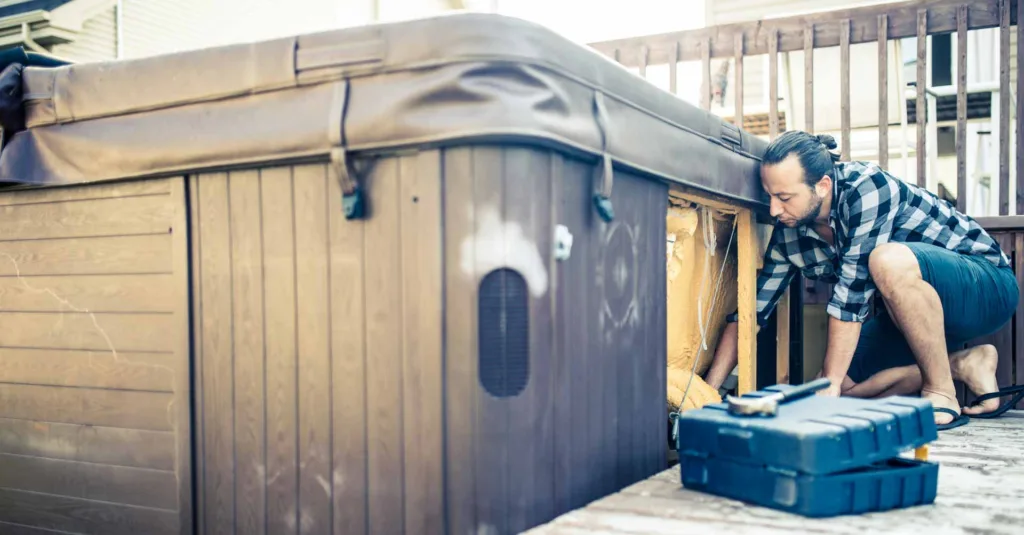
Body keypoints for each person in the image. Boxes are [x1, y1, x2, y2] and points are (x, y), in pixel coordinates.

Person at [702, 130, 1020, 429]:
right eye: (770, 196)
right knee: (846, 387)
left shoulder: (867, 188)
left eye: (784, 197)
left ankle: (940, 391)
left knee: (885, 260)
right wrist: (709, 393)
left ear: (823, 185)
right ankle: (961, 364)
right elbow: (749, 314)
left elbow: (850, 300)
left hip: (986, 286)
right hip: (913, 318)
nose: (774, 209)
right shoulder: (789, 236)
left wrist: (829, 382)